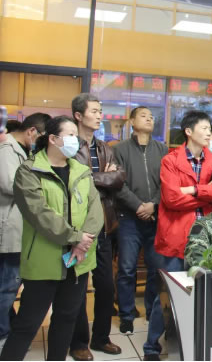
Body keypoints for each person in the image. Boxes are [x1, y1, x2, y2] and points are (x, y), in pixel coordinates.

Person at [0, 116, 103, 361]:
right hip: (44, 260)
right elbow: (39, 214)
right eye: (70, 135)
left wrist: (83, 242)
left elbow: (95, 209)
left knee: (66, 319)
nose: (76, 140)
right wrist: (75, 237)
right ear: (53, 139)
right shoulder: (30, 170)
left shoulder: (81, 171)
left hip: (78, 261)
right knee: (27, 323)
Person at [146, 110, 212, 361]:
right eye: (204, 128)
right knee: (168, 294)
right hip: (176, 235)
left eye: (210, 128)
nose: (209, 133)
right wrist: (205, 193)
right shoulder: (170, 160)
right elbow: (171, 199)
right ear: (189, 132)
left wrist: (191, 190)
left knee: (204, 294)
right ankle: (151, 347)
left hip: (207, 236)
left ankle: (196, 344)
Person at [70, 93, 125, 360]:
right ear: (78, 115)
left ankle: (101, 338)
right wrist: (105, 176)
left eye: (100, 111)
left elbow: (119, 179)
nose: (99, 115)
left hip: (105, 224)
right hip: (78, 228)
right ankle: (78, 341)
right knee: (78, 288)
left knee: (105, 286)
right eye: (94, 111)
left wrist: (94, 178)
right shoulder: (70, 146)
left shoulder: (105, 148)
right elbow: (73, 182)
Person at [113, 107, 168, 335]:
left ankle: (152, 312)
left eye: (151, 117)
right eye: (144, 115)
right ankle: (126, 315)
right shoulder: (119, 150)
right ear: (132, 121)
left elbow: (167, 182)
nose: (149, 119)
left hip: (156, 217)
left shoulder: (162, 149)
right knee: (126, 268)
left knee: (156, 268)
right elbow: (117, 183)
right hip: (128, 217)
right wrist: (138, 206)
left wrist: (153, 204)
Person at [0, 112, 50, 352]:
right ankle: (4, 334)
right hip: (9, 228)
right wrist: (40, 184)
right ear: (32, 132)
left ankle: (7, 327)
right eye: (42, 137)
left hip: (20, 227)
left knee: (9, 285)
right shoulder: (7, 150)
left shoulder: (22, 150)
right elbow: (10, 184)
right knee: (8, 286)